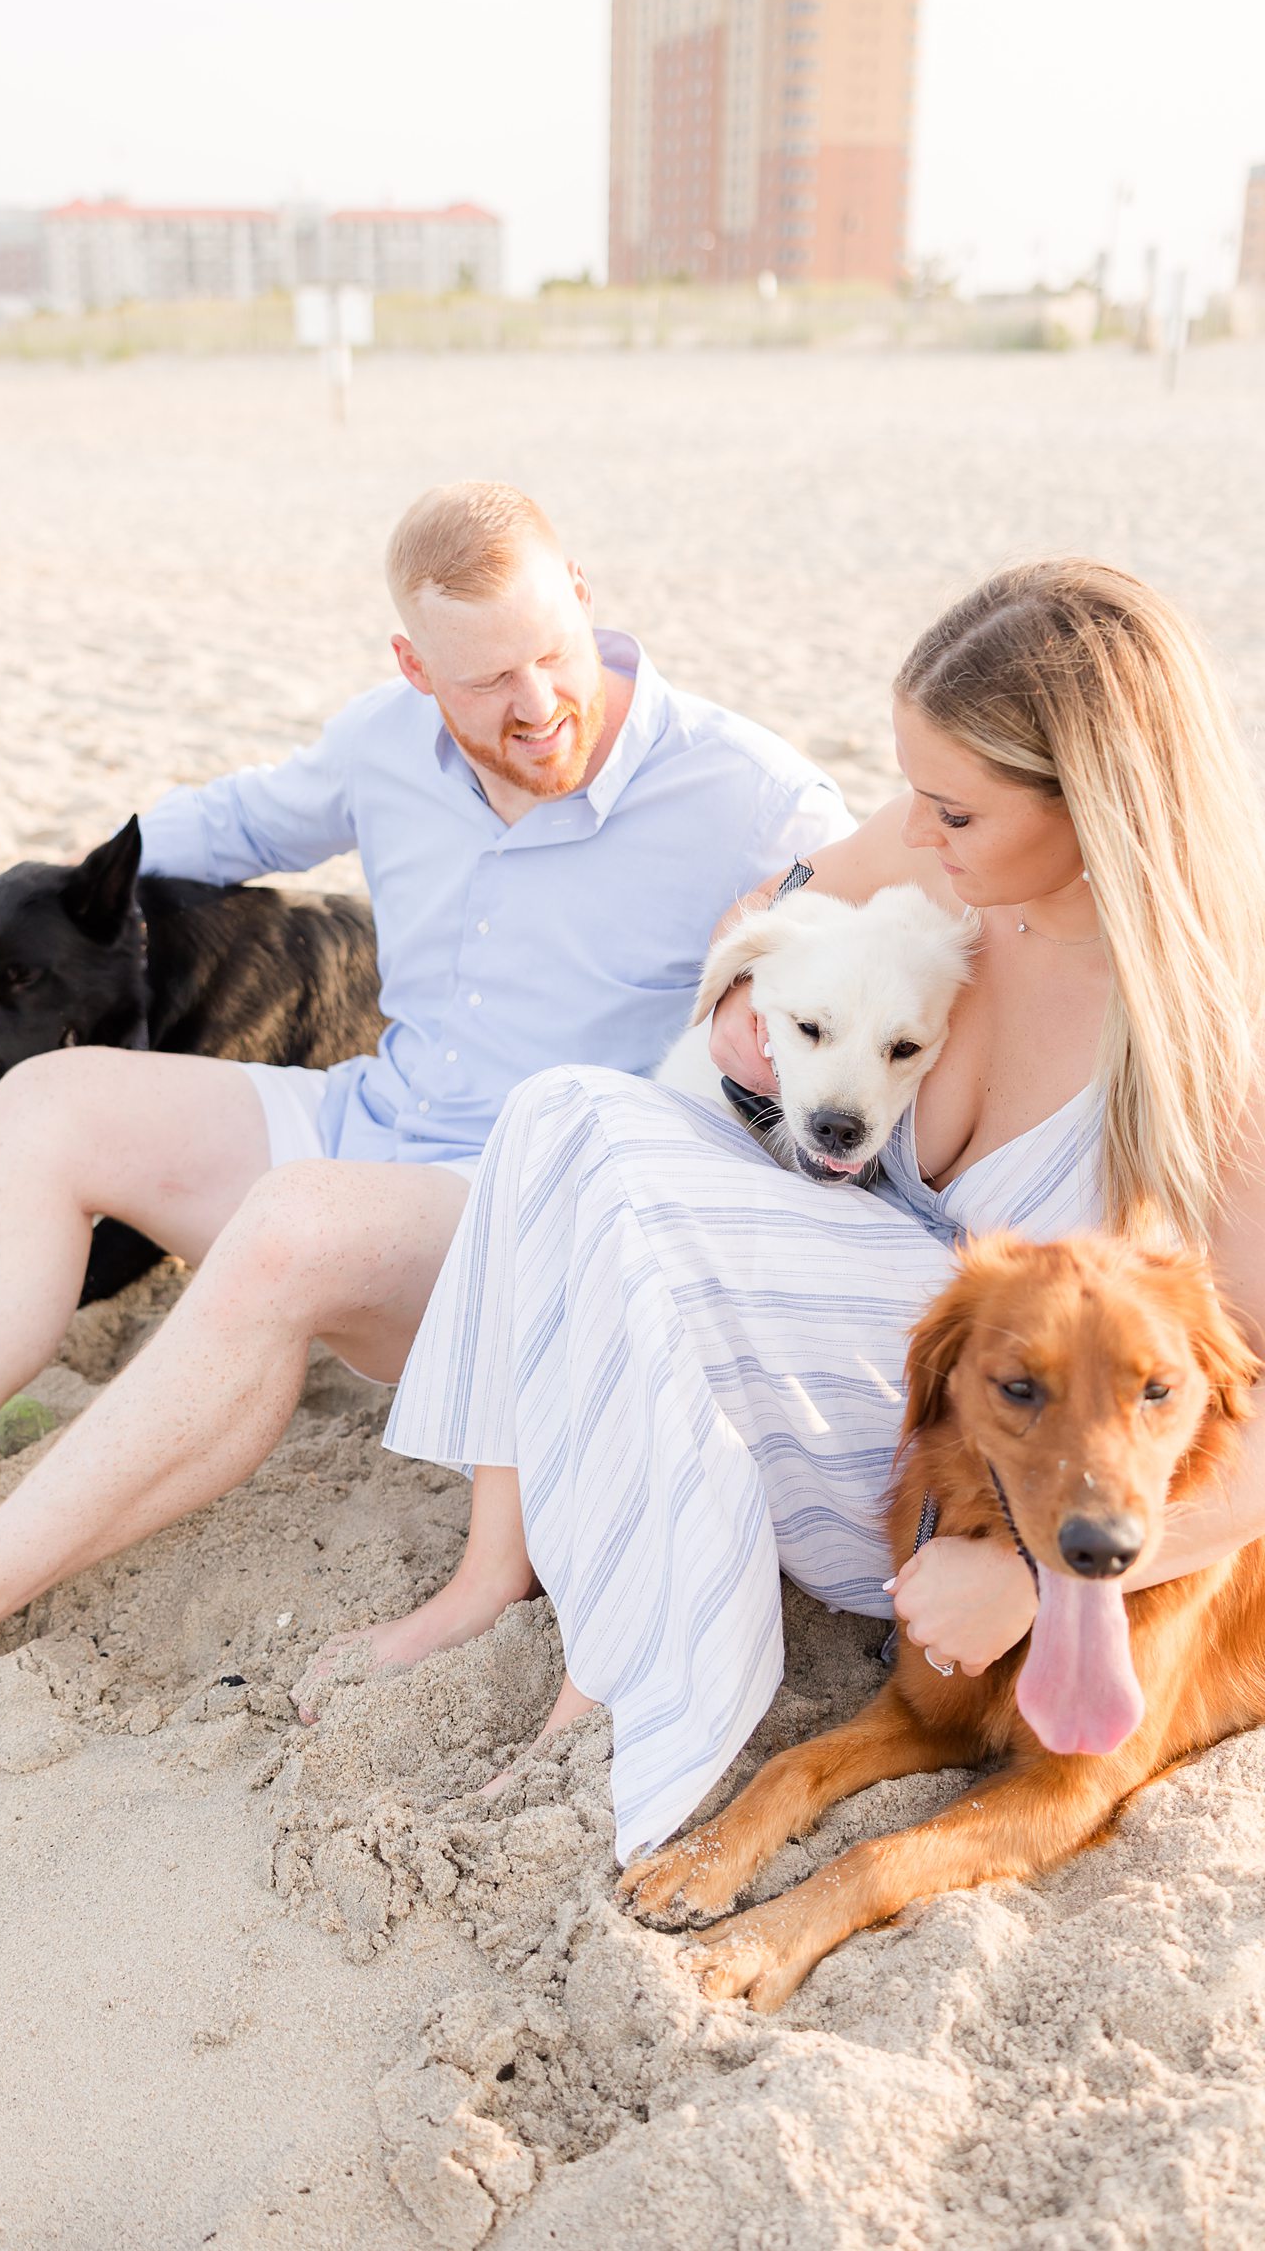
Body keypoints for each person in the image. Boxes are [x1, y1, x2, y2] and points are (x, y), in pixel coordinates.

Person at [0, 481, 849, 1782]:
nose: (538, 702)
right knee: (47, 1104)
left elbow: (891, 973)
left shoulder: (750, 792)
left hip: (524, 1223)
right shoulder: (386, 742)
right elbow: (226, 823)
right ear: (413, 669)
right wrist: (25, 882)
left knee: (290, 1228)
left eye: (552, 653)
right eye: (487, 678)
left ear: (586, 606)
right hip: (370, 1117)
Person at [368, 559, 1265, 1865]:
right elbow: (779, 906)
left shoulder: (1212, 1049)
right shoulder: (952, 865)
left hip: (973, 1479)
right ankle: (498, 1572)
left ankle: (626, 1687)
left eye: (953, 808)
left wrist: (1036, 1572)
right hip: (873, 1357)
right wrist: (749, 1006)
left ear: (1093, 809)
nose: (918, 832)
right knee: (565, 1110)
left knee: (621, 1186)